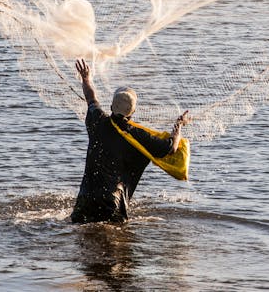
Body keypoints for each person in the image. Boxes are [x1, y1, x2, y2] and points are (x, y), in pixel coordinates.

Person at [71, 58, 190, 223]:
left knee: (83, 239)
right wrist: (179, 125)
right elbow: (171, 147)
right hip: (112, 203)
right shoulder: (138, 136)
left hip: (85, 199)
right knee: (113, 241)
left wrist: (86, 78)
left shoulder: (96, 120)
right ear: (132, 112)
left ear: (111, 107)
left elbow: (91, 97)